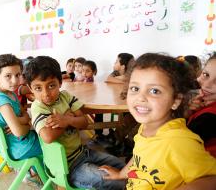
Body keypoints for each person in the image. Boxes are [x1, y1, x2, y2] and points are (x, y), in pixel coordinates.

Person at [99, 53, 216, 189]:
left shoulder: (179, 141)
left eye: (154, 91)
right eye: (135, 88)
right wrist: (121, 174)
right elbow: (139, 157)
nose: (140, 97)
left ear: (176, 100)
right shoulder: (146, 126)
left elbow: (211, 179)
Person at [25, 56, 125, 190]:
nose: (46, 94)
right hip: (67, 167)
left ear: (60, 83)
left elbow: (84, 123)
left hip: (83, 153)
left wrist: (66, 120)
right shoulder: (38, 107)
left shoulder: (65, 96)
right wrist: (70, 119)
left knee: (123, 167)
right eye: (38, 88)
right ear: (30, 88)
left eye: (51, 85)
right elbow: (48, 136)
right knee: (117, 182)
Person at [0, 54, 42, 162]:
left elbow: (25, 115)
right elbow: (19, 131)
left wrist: (21, 120)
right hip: (18, 147)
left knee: (47, 134)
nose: (15, 80)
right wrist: (28, 125)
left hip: (22, 141)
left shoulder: (11, 94)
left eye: (17, 75)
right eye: (8, 76)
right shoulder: (1, 100)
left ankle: (34, 169)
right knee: (53, 142)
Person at [187, 52, 216, 157]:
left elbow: (178, 145)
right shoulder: (204, 103)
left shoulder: (209, 118)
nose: (207, 85)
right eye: (206, 75)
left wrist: (182, 115)